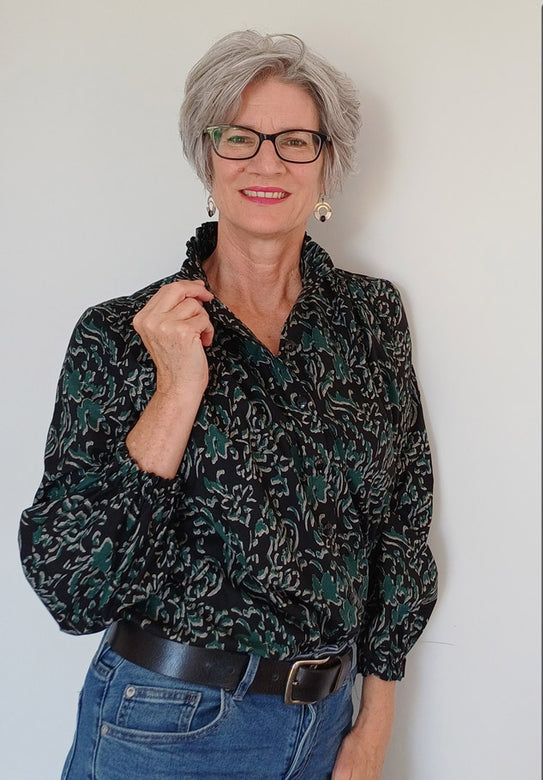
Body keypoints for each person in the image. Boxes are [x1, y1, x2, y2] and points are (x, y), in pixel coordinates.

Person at [19, 30, 437, 780]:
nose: (267, 162)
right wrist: (178, 388)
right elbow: (73, 589)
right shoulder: (121, 335)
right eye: (239, 136)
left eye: (295, 141)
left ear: (328, 163)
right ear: (206, 157)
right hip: (166, 729)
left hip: (328, 726)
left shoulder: (372, 319)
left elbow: (401, 532)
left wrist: (373, 731)